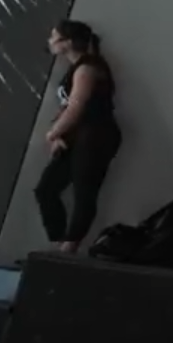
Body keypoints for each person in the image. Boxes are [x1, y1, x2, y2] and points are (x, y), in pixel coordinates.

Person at [35, 19, 122, 253]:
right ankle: (59, 244)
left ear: (68, 42)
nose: (50, 41)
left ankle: (67, 251)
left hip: (97, 135)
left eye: (54, 37)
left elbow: (77, 107)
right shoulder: (75, 68)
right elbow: (67, 108)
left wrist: (52, 134)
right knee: (46, 189)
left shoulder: (88, 68)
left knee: (84, 193)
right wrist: (58, 133)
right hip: (77, 135)